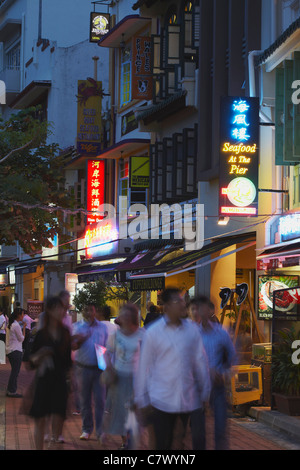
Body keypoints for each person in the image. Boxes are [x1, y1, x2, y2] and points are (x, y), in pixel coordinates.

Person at [135, 288, 211, 450]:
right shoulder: (153, 333)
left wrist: (205, 391)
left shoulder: (192, 330)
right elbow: (144, 367)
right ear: (167, 306)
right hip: (161, 399)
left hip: (186, 397)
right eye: (178, 301)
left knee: (180, 439)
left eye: (183, 300)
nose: (183, 304)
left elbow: (200, 360)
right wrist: (141, 398)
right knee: (163, 442)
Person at [189, 295, 236, 450]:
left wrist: (223, 372)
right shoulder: (193, 333)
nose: (198, 311)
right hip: (197, 387)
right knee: (197, 432)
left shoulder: (221, 333)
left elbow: (232, 356)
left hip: (217, 386)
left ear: (210, 310)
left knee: (220, 429)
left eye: (202, 308)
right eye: (196, 308)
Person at [27, 296, 72, 449]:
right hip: (44, 380)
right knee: (40, 420)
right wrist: (40, 355)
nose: (62, 312)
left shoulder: (65, 332)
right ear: (51, 310)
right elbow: (30, 363)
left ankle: (53, 445)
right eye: (59, 308)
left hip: (59, 381)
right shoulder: (41, 334)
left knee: (58, 422)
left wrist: (70, 379)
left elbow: (67, 362)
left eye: (63, 309)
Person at [103, 303, 145, 449]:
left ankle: (132, 441)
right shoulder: (115, 335)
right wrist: (109, 367)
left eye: (128, 315)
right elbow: (107, 353)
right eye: (123, 315)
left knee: (133, 412)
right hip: (119, 377)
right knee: (121, 412)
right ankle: (124, 441)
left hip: (136, 378)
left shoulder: (142, 334)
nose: (125, 318)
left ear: (134, 317)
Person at [72, 302, 108, 441]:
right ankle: (86, 429)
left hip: (99, 369)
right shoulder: (77, 327)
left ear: (95, 311)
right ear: (83, 311)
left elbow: (107, 347)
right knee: (84, 401)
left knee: (100, 401)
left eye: (91, 310)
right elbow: (73, 347)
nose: (88, 312)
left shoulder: (103, 327)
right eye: (85, 310)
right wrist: (78, 340)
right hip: (83, 367)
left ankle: (100, 430)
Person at [6, 307, 25, 397]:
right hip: (16, 350)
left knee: (14, 371)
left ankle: (10, 390)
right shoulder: (16, 325)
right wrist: (24, 328)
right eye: (22, 314)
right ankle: (12, 391)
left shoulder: (12, 324)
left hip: (10, 350)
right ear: (19, 315)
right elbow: (21, 339)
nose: (23, 315)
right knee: (15, 372)